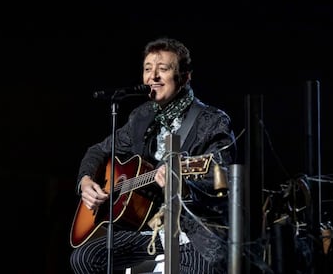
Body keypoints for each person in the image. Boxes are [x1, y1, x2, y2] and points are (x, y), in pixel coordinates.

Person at [70, 37, 238, 274]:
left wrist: (184, 185)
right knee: (85, 258)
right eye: (148, 69)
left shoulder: (212, 121)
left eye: (164, 69)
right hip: (149, 232)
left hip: (193, 235)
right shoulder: (142, 117)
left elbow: (224, 179)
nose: (153, 76)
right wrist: (86, 181)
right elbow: (98, 150)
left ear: (185, 76)